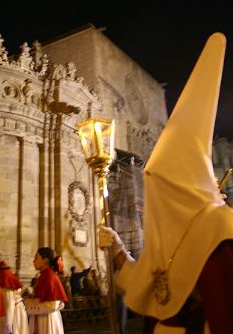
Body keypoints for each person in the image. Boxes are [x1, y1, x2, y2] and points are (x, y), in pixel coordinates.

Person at [98, 32, 233, 333]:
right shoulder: (171, 235)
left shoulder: (221, 230)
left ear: (178, 188)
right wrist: (119, 249)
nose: (152, 198)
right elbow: (152, 286)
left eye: (156, 185)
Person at [24, 247, 68, 334]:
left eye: (36, 257)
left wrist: (28, 304)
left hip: (47, 320)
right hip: (41, 318)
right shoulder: (43, 276)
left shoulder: (50, 277)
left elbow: (53, 305)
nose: (33, 261)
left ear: (45, 260)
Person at [0, 249, 29, 334]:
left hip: (13, 315)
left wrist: (7, 325)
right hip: (9, 313)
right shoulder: (0, 274)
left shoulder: (4, 276)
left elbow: (9, 303)